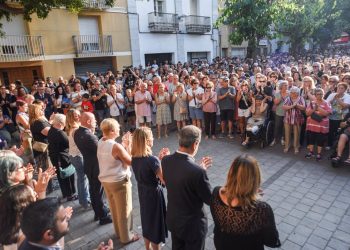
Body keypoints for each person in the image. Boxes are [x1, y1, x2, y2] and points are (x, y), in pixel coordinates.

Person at [210, 154, 281, 250]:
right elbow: (271, 241)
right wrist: (255, 200)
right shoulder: (262, 209)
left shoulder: (216, 192)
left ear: (231, 173)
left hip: (221, 244)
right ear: (255, 178)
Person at [162, 125, 212, 250]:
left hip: (174, 220)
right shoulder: (198, 172)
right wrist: (201, 169)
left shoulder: (166, 160)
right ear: (195, 144)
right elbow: (210, 199)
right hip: (193, 227)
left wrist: (199, 168)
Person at [97, 118, 139, 243]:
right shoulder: (116, 146)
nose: (120, 129)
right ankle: (126, 237)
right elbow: (130, 162)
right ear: (112, 130)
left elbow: (115, 157)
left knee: (114, 208)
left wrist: (124, 145)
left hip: (106, 181)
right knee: (124, 210)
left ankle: (118, 232)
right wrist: (129, 145)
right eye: (117, 128)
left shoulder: (100, 141)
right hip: (119, 181)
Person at [131, 127, 168, 250]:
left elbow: (147, 169)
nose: (153, 138)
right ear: (147, 140)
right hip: (154, 195)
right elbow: (164, 180)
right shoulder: (152, 160)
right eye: (151, 136)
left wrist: (159, 160)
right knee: (155, 224)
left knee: (147, 221)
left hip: (142, 193)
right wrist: (165, 161)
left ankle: (147, 248)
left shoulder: (134, 158)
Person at [74, 112, 112, 225]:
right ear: (89, 121)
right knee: (97, 192)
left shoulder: (77, 132)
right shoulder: (88, 135)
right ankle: (103, 217)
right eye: (94, 120)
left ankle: (98, 212)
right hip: (95, 167)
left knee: (94, 190)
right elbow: (101, 150)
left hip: (89, 165)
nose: (96, 122)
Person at [47, 114, 77, 201]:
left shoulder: (51, 130)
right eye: (64, 123)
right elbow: (69, 144)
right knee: (68, 175)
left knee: (61, 176)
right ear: (60, 123)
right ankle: (70, 195)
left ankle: (65, 194)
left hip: (55, 157)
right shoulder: (60, 133)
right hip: (63, 157)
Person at [66, 109, 90, 208]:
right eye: (76, 115)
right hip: (77, 156)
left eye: (79, 114)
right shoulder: (75, 129)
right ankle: (85, 201)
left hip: (73, 155)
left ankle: (82, 200)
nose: (79, 116)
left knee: (81, 179)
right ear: (71, 117)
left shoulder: (71, 127)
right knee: (83, 179)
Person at [0, 184, 36, 250]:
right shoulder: (27, 234)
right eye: (34, 195)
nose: (36, 195)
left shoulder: (7, 228)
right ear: (26, 204)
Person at [305, 88, 332, 161]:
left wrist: (318, 108)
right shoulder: (311, 103)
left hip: (322, 126)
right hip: (312, 125)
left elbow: (327, 113)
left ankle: (319, 153)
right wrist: (314, 109)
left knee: (320, 140)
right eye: (318, 94)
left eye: (321, 94)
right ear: (315, 95)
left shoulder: (327, 103)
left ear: (323, 94)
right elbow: (307, 113)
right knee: (311, 139)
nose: (320, 95)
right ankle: (311, 152)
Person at [326, 83, 350, 148]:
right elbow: (326, 104)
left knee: (339, 132)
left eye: (342, 88)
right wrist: (333, 99)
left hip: (342, 117)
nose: (340, 89)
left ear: (345, 89)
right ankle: (329, 144)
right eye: (339, 88)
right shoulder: (332, 95)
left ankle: (338, 146)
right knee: (330, 131)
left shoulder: (347, 96)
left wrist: (337, 99)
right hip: (331, 116)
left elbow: (345, 106)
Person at [282, 87, 306, 154]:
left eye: (293, 93)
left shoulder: (301, 98)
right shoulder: (288, 98)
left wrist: (297, 105)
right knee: (287, 133)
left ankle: (296, 147)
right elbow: (284, 107)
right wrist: (292, 106)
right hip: (288, 118)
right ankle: (287, 146)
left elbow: (304, 108)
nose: (291, 94)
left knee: (297, 133)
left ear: (297, 93)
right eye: (291, 92)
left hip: (297, 119)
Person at [270, 81, 288, 147]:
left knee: (284, 127)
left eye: (287, 85)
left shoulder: (289, 94)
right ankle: (274, 139)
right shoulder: (277, 94)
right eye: (285, 85)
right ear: (281, 86)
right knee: (277, 126)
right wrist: (281, 97)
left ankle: (282, 138)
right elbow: (276, 103)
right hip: (279, 112)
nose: (286, 86)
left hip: (287, 113)